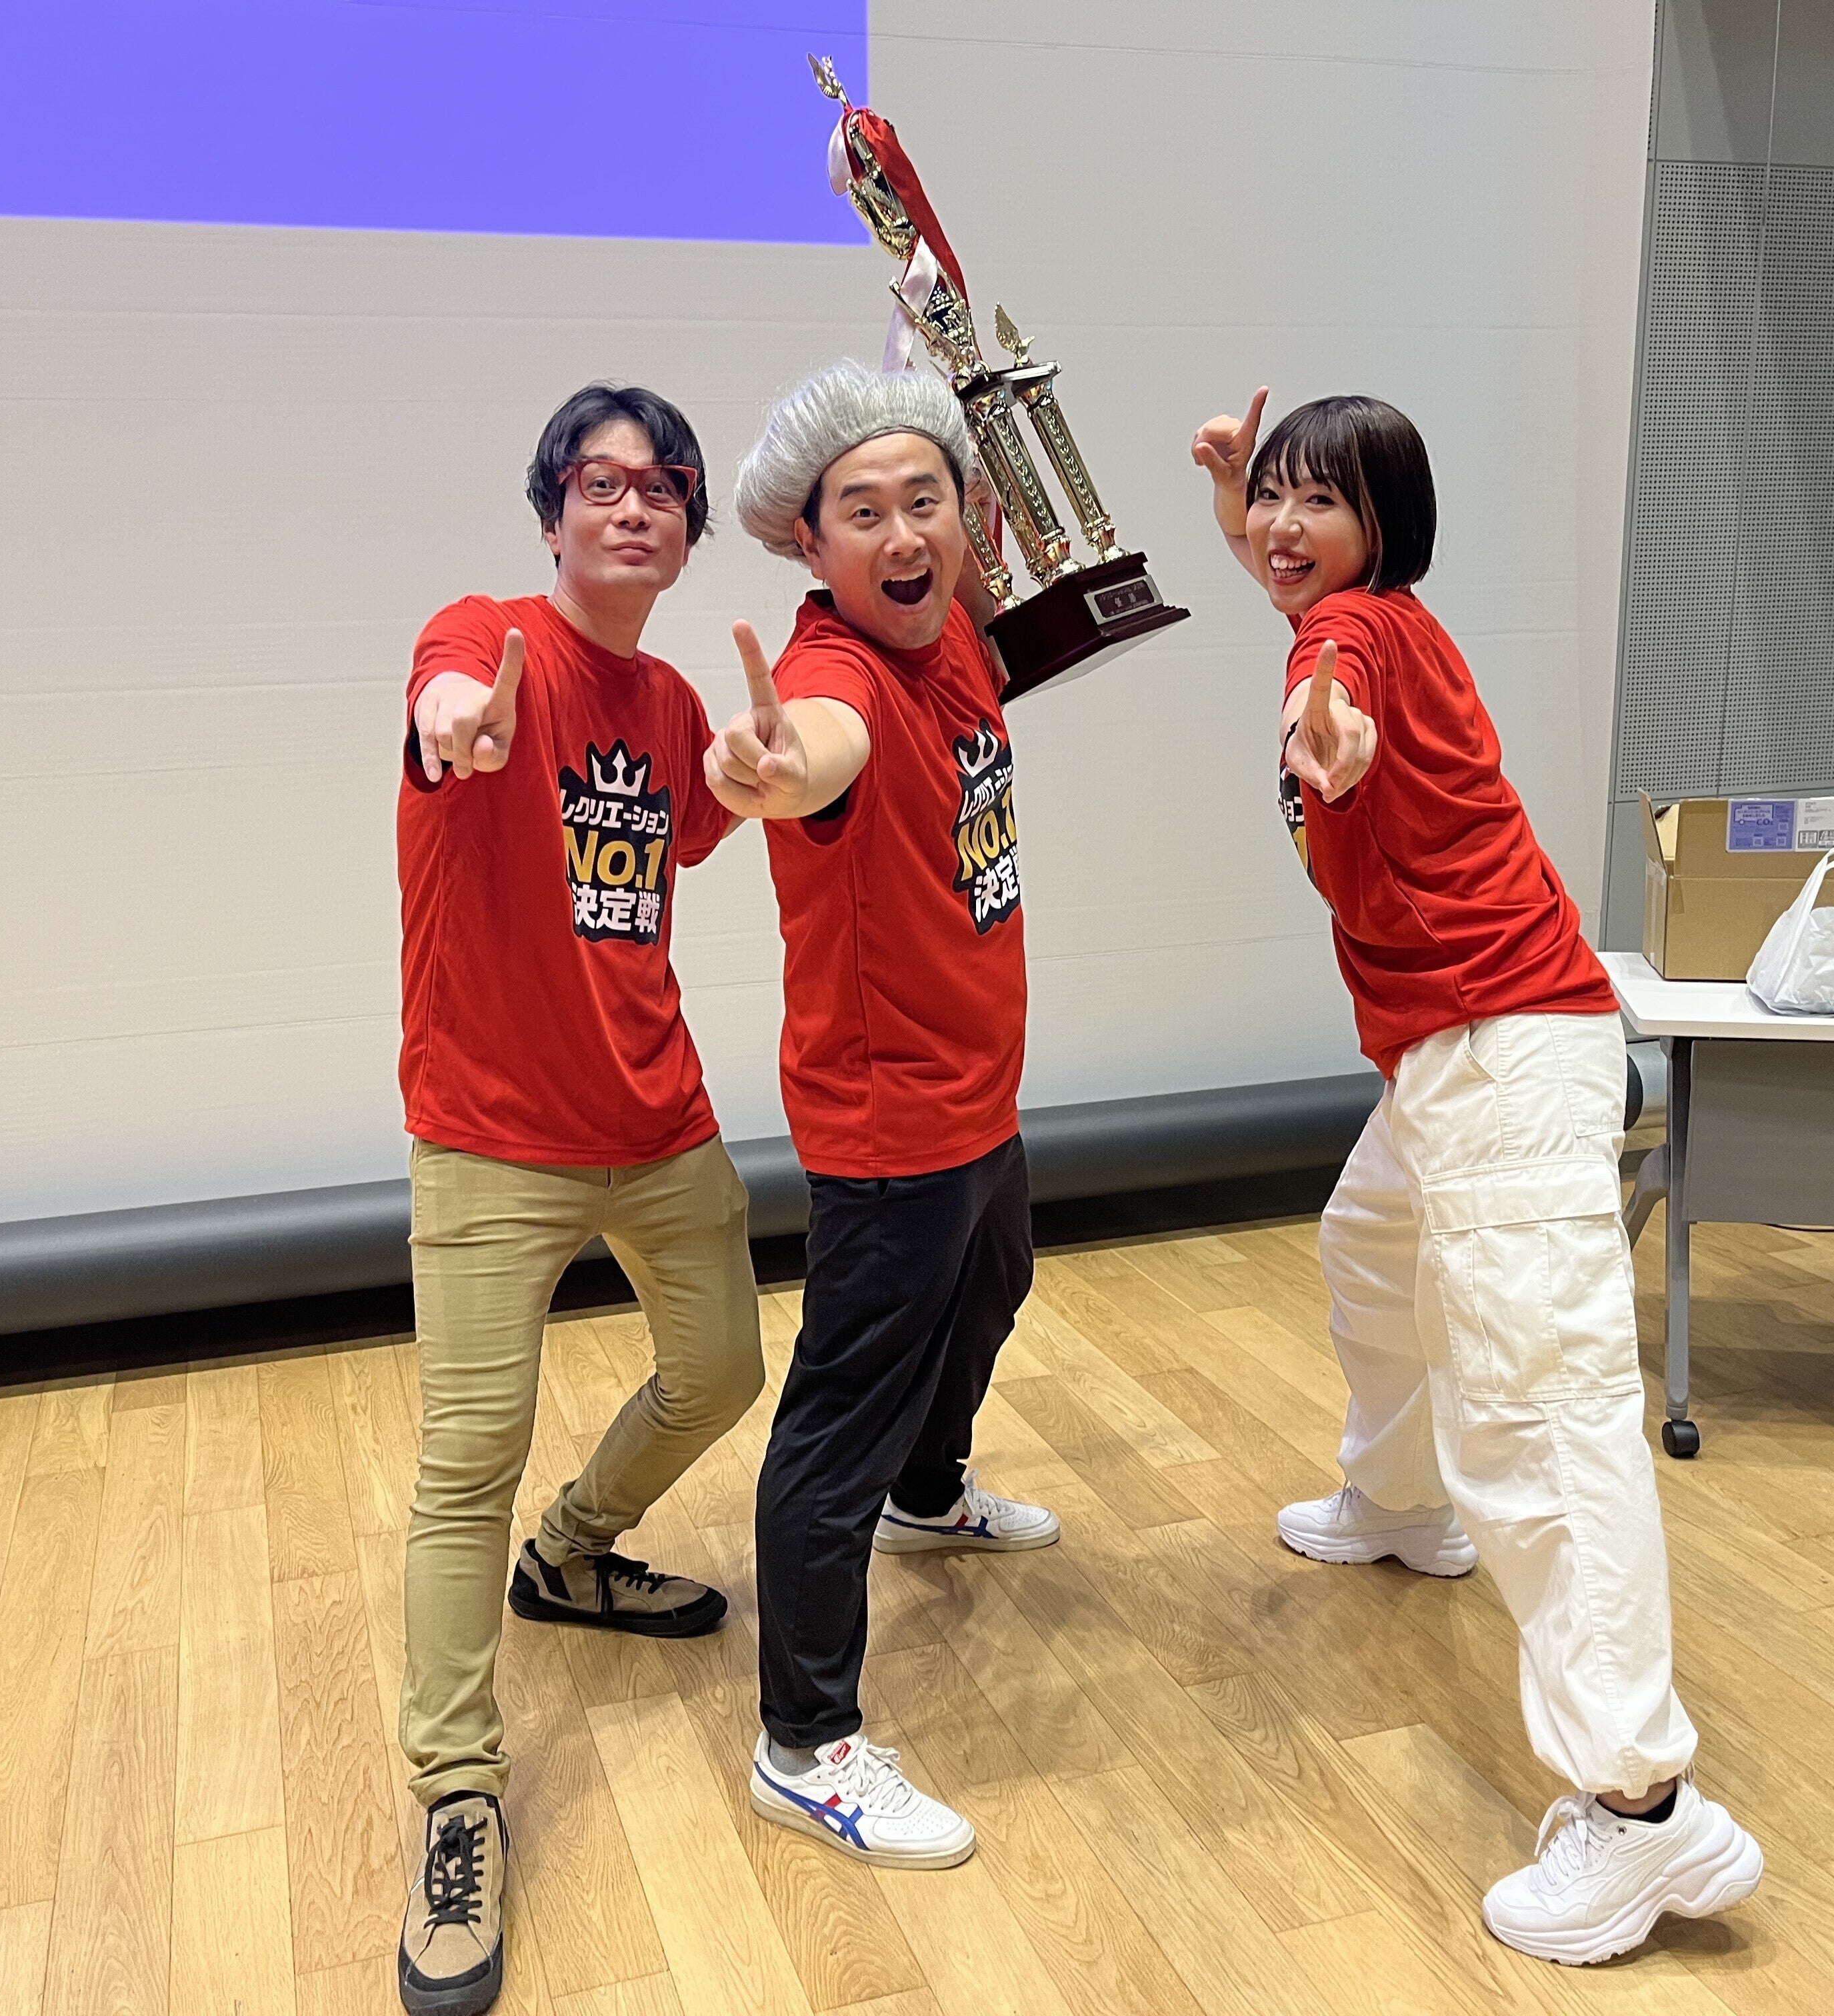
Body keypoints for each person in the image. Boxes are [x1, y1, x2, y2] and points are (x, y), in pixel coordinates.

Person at [1190, 387, 1764, 1965]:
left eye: (1320, 500)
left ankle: (1642, 1810)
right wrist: (1242, 511)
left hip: (1500, 1050)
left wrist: (1334, 755)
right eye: (1273, 497)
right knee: (1368, 1252)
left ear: (1385, 527)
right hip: (1456, 1050)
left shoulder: (1354, 641)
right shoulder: (1358, 613)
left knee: (1540, 1412)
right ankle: (1399, 1503)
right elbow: (1297, 599)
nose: (1283, 527)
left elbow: (1336, 696)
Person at [393, 383, 765, 2016]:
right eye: (602, 483)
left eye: (664, 487)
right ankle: (455, 1794)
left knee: (723, 1369)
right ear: (553, 515)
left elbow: (698, 826)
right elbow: (445, 699)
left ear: (685, 534)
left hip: (657, 1118)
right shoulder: (487, 640)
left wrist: (758, 776)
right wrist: (456, 722)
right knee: (465, 1454)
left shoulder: (669, 700)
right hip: (490, 1137)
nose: (634, 504)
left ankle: (576, 1554)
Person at [709, 358, 1059, 1871]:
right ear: (809, 541)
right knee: (835, 1428)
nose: (903, 534)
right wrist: (772, 773)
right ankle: (805, 1745)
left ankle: (933, 1491)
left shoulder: (954, 630)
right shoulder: (841, 680)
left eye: (928, 501)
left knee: (994, 1291)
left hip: (979, 1092)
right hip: (888, 1122)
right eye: (863, 512)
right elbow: (817, 752)